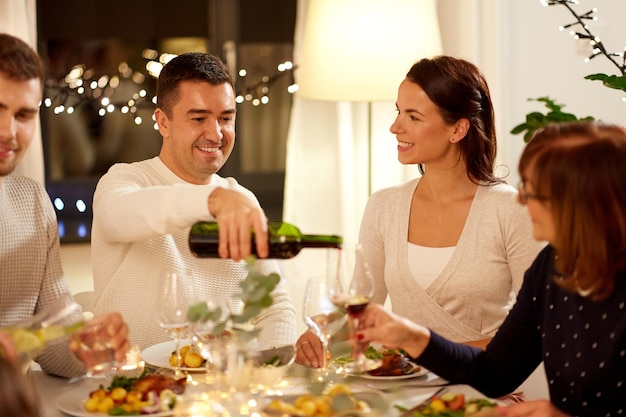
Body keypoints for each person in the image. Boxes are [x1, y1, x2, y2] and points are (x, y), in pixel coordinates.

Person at [355, 121, 626, 416]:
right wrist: (410, 336)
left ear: (581, 201)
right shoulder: (552, 266)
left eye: (533, 191)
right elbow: (493, 373)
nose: (520, 199)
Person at [296, 56, 543, 367]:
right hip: (399, 388)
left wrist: (430, 357)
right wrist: (321, 333)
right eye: (398, 111)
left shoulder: (510, 210)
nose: (395, 127)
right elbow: (361, 312)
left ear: (458, 129)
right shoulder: (383, 206)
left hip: (482, 390)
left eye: (413, 117)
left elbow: (536, 329)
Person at [91, 52, 297, 350]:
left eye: (226, 118)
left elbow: (275, 307)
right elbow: (115, 217)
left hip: (218, 388)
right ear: (163, 122)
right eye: (199, 118)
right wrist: (212, 200)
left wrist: (266, 370)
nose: (216, 134)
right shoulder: (124, 181)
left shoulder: (240, 199)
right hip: (129, 386)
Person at [0, 32, 130, 378]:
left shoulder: (32, 203)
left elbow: (55, 338)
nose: (8, 132)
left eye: (24, 115)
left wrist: (87, 346)